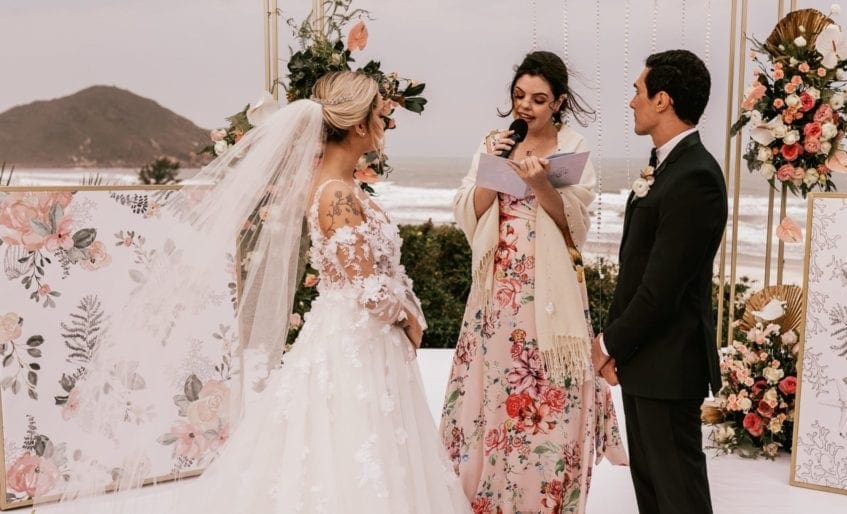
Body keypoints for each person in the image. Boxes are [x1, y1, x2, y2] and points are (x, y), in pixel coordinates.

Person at [44, 71, 470, 514]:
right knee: (351, 451)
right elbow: (367, 288)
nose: (387, 124)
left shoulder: (340, 187)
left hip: (358, 341)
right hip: (355, 346)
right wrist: (408, 316)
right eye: (382, 115)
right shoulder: (336, 196)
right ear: (360, 125)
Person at [443, 50, 627, 514]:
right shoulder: (495, 140)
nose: (526, 106)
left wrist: (543, 184)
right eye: (519, 95)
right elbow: (470, 210)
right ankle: (491, 497)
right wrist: (494, 168)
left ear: (558, 102)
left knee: (552, 395)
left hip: (550, 291)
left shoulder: (574, 148)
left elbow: (575, 229)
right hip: (498, 289)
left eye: (539, 99)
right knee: (499, 390)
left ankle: (547, 496)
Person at [592, 50, 727, 514]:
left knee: (679, 497)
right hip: (648, 363)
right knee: (653, 495)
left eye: (637, 90)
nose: (632, 101)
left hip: (672, 366)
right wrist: (622, 352)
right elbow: (636, 269)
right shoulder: (668, 166)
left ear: (663, 99)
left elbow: (662, 289)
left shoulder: (696, 177)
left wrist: (609, 342)